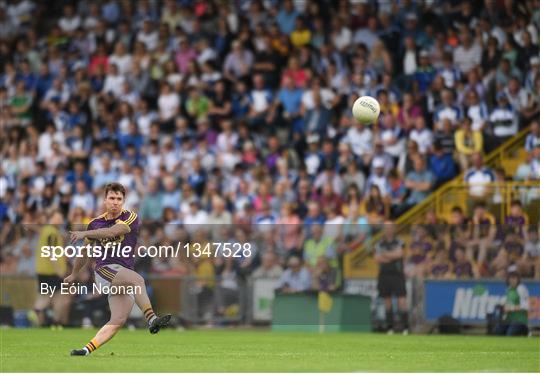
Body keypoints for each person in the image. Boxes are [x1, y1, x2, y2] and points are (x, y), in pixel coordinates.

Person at [66, 183, 171, 356]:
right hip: (105, 270)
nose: (115, 202)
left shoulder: (131, 217)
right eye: (112, 198)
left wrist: (85, 234)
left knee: (117, 321)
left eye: (119, 199)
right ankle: (152, 319)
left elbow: (112, 232)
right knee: (138, 280)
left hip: (122, 274)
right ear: (105, 199)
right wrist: (73, 274)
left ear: (123, 201)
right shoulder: (94, 223)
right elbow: (84, 253)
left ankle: (85, 350)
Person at [34, 210, 71, 327]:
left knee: (48, 296)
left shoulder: (47, 231)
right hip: (51, 271)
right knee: (59, 296)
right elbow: (51, 251)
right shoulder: (52, 232)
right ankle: (54, 320)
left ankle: (47, 318)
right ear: (52, 218)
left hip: (43, 270)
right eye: (58, 218)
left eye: (61, 219)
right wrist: (58, 270)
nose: (60, 221)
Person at [374, 222, 409, 334]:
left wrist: (385, 254)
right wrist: (392, 255)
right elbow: (377, 259)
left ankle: (405, 328)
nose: (388, 230)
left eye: (390, 227)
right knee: (387, 302)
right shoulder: (379, 243)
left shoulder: (399, 241)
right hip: (384, 274)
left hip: (397, 274)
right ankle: (390, 328)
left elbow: (400, 254)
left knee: (402, 301)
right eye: (386, 228)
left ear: (394, 229)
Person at [495, 269, 529, 336]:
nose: (512, 280)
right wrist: (503, 307)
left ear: (518, 279)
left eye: (514, 278)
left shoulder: (521, 289)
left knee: (510, 334)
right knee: (497, 331)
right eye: (510, 278)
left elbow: (525, 306)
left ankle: (525, 331)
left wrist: (511, 308)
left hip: (520, 320)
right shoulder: (509, 290)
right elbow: (506, 305)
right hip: (509, 319)